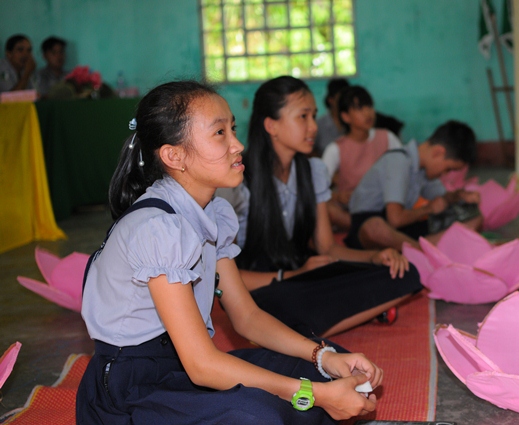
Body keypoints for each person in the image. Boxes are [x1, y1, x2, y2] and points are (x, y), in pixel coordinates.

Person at [77, 80, 383, 424]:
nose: (238, 145)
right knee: (264, 415)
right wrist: (316, 395)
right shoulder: (157, 227)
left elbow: (247, 318)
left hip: (184, 370)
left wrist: (322, 356)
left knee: (329, 371)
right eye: (219, 133)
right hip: (133, 391)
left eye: (233, 129)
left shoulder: (210, 213)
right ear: (174, 156)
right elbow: (202, 366)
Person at [217, 76, 422, 339]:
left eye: (314, 116)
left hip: (304, 279)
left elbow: (328, 248)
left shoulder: (313, 170)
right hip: (261, 289)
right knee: (286, 299)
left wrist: (375, 256)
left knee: (404, 274)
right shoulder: (239, 179)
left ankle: (291, 333)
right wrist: (291, 275)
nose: (313, 127)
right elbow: (226, 276)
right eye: (303, 117)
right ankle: (297, 327)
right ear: (271, 125)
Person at [344, 120, 484, 252]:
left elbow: (442, 198)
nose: (445, 174)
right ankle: (423, 251)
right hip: (368, 227)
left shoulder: (424, 170)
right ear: (438, 152)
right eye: (448, 169)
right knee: (376, 227)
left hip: (400, 232)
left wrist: (460, 196)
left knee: (475, 219)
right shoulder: (399, 161)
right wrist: (428, 209)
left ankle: (421, 249)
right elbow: (395, 219)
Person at [321, 85, 404, 231]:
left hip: (385, 208)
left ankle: (374, 228)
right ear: (345, 116)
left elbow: (404, 170)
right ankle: (369, 228)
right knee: (327, 210)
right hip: (352, 212)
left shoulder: (387, 138)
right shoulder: (336, 149)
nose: (368, 113)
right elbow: (317, 189)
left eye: (369, 106)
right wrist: (338, 197)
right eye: (359, 108)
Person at [315, 78, 350, 155]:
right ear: (331, 100)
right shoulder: (319, 125)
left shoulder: (353, 123)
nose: (344, 103)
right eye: (341, 99)